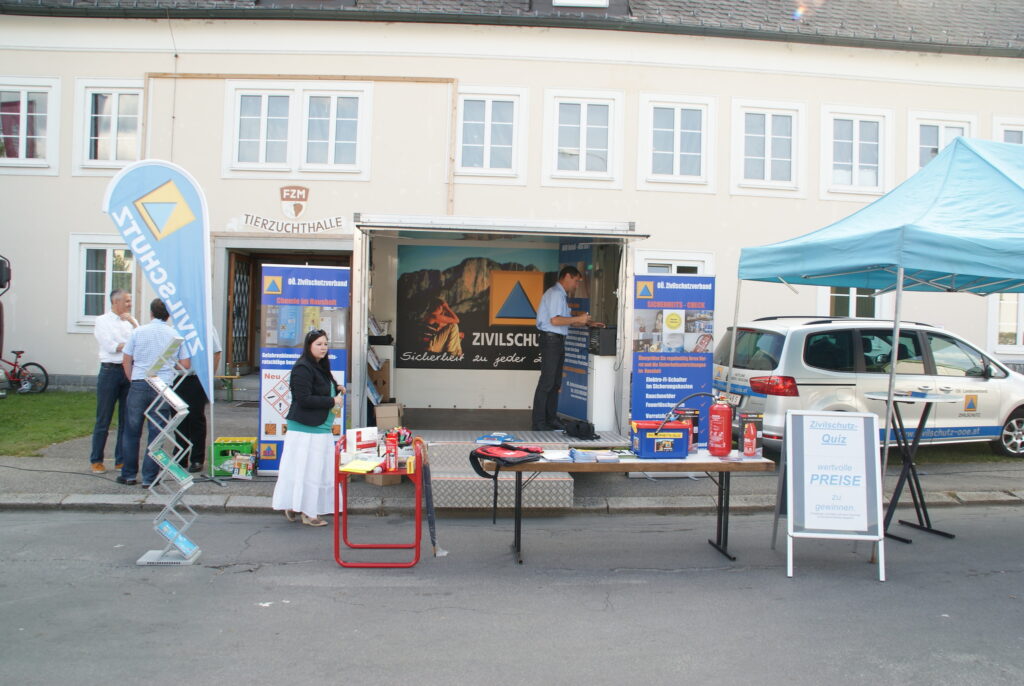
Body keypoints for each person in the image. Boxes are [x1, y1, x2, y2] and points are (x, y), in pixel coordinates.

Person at [272, 329, 346, 527]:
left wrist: (336, 388)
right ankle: (308, 513)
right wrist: (332, 400)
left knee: (310, 471)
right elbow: (303, 399)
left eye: (325, 344)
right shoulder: (303, 368)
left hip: (320, 426)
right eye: (318, 344)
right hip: (306, 428)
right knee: (311, 472)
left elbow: (319, 388)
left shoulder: (320, 365)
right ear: (309, 346)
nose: (323, 348)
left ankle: (295, 505)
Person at [118, 298, 190, 486]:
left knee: (131, 431)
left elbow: (126, 358)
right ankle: (150, 478)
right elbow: (186, 365)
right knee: (157, 433)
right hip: (162, 385)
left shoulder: (139, 332)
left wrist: (131, 378)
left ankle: (128, 474)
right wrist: (169, 364)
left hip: (139, 382)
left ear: (151, 313)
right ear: (169, 315)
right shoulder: (175, 335)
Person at [531, 265, 604, 431]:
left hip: (556, 341)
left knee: (555, 383)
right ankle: (539, 422)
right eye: (576, 281)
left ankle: (551, 419)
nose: (577, 285)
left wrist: (588, 323)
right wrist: (579, 318)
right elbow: (555, 321)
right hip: (551, 341)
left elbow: (565, 319)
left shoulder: (559, 295)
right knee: (547, 383)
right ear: (567, 277)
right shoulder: (556, 294)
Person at [88, 289, 137, 474]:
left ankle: (121, 459)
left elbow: (140, 340)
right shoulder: (102, 321)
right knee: (104, 418)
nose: (129, 304)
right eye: (126, 301)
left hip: (128, 371)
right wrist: (128, 345)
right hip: (110, 371)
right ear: (116, 302)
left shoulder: (131, 322)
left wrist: (133, 323)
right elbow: (111, 346)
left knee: (126, 419)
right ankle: (96, 460)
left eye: (130, 300)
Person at [176, 328, 222, 473]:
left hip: (197, 378)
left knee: (196, 419)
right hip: (177, 378)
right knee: (178, 419)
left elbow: (217, 353)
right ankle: (180, 456)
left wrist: (210, 377)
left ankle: (197, 458)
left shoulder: (206, 325)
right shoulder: (176, 326)